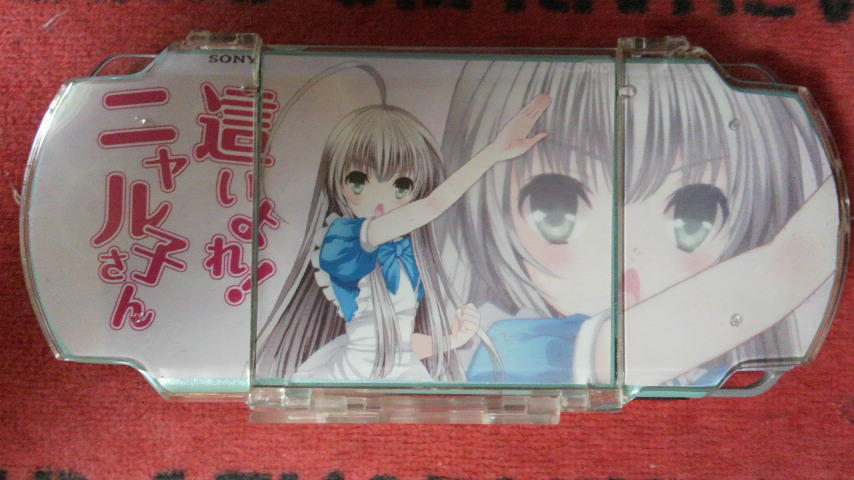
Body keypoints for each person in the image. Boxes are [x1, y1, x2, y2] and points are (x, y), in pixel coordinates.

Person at [439, 59, 840, 386]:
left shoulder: (709, 370)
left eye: (694, 216)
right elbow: (781, 270)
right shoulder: (511, 352)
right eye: (557, 210)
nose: (629, 253)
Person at [255, 62, 553, 381]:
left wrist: (452, 340)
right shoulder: (345, 238)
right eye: (359, 181)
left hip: (398, 376)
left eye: (401, 186)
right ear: (336, 180)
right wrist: (492, 153)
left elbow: (399, 345)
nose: (380, 200)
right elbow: (432, 205)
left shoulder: (405, 254)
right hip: (352, 377)